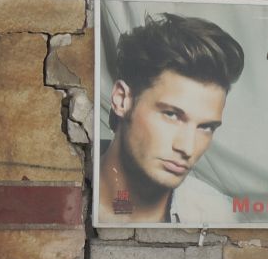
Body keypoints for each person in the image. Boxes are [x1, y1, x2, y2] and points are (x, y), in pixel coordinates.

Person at [98, 13, 244, 224]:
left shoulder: (217, 215)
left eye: (206, 127)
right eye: (171, 115)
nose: (187, 148)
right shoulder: (72, 191)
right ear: (122, 100)